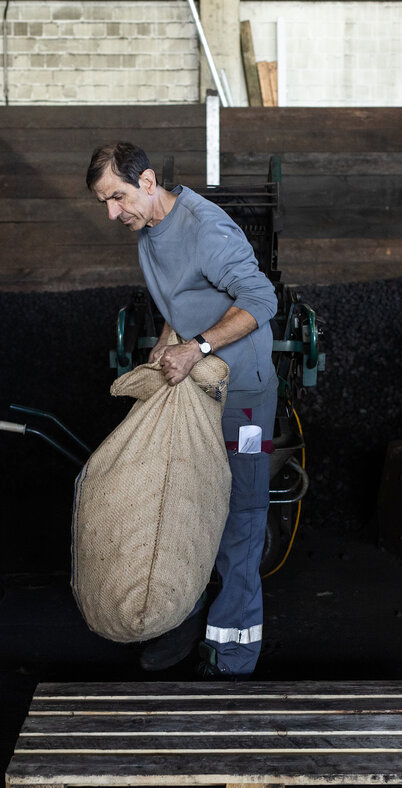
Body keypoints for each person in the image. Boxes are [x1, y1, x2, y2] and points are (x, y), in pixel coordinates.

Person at [86, 142, 278, 678]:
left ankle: (233, 649)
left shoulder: (205, 228)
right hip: (197, 387)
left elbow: (261, 300)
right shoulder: (149, 230)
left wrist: (198, 347)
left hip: (242, 397)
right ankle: (178, 618)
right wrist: (170, 337)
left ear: (147, 181)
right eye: (103, 202)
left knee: (239, 512)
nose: (111, 212)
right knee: (181, 500)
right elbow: (185, 299)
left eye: (117, 197)